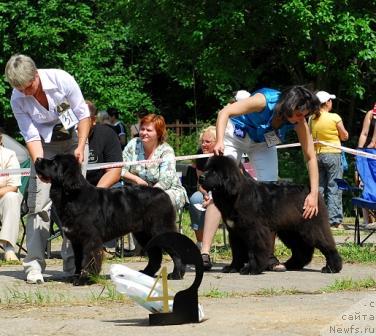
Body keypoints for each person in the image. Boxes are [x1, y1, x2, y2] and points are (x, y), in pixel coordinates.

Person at [201, 86, 321, 271]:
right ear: (288, 106)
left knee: (270, 195)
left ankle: (266, 255)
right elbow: (225, 112)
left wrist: (313, 193)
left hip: (263, 142)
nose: (301, 119)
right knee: (219, 188)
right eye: (299, 114)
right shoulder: (263, 101)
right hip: (235, 134)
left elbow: (311, 156)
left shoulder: (299, 122)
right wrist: (219, 141)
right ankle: (205, 252)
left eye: (304, 115)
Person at [4, 54, 90, 284]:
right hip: (44, 147)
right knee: (38, 205)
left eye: (28, 86)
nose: (25, 92)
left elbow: (83, 115)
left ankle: (75, 264)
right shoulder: (17, 99)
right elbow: (31, 136)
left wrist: (80, 147)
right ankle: (33, 264)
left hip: (73, 141)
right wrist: (41, 168)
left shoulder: (61, 79)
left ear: (36, 75)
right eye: (19, 88)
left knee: (76, 206)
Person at [122, 113, 188, 210]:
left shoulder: (166, 150)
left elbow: (166, 181)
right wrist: (136, 180)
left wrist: (149, 196)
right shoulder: (133, 144)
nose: (144, 133)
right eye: (142, 129)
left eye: (148, 130)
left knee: (156, 203)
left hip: (166, 190)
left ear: (159, 133)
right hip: (137, 190)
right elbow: (120, 169)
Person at [309, 91, 349, 228]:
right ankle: (334, 220)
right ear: (327, 103)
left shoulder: (311, 118)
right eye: (330, 100)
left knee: (318, 187)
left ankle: (316, 216)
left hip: (316, 155)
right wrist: (345, 134)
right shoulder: (334, 117)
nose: (331, 102)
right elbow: (344, 136)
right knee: (335, 186)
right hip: (332, 154)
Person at [188, 126, 216, 249]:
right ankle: (200, 243)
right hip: (207, 192)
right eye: (202, 141)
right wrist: (205, 195)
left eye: (207, 142)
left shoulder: (226, 155)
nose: (203, 145)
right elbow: (201, 184)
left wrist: (212, 197)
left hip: (224, 194)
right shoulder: (200, 154)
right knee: (195, 199)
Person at [86, 101, 122, 188]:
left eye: (82, 118)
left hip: (100, 189)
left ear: (93, 120)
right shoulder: (66, 138)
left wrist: (95, 195)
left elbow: (114, 170)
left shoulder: (107, 133)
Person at [0, 131, 23, 261]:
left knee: (12, 197)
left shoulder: (9, 155)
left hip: (3, 198)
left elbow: (13, 187)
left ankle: (8, 248)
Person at [357, 103, 376, 227]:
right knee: (366, 184)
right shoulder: (370, 113)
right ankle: (365, 221)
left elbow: (374, 141)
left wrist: (371, 144)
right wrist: (359, 151)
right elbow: (364, 133)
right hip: (370, 155)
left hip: (372, 152)